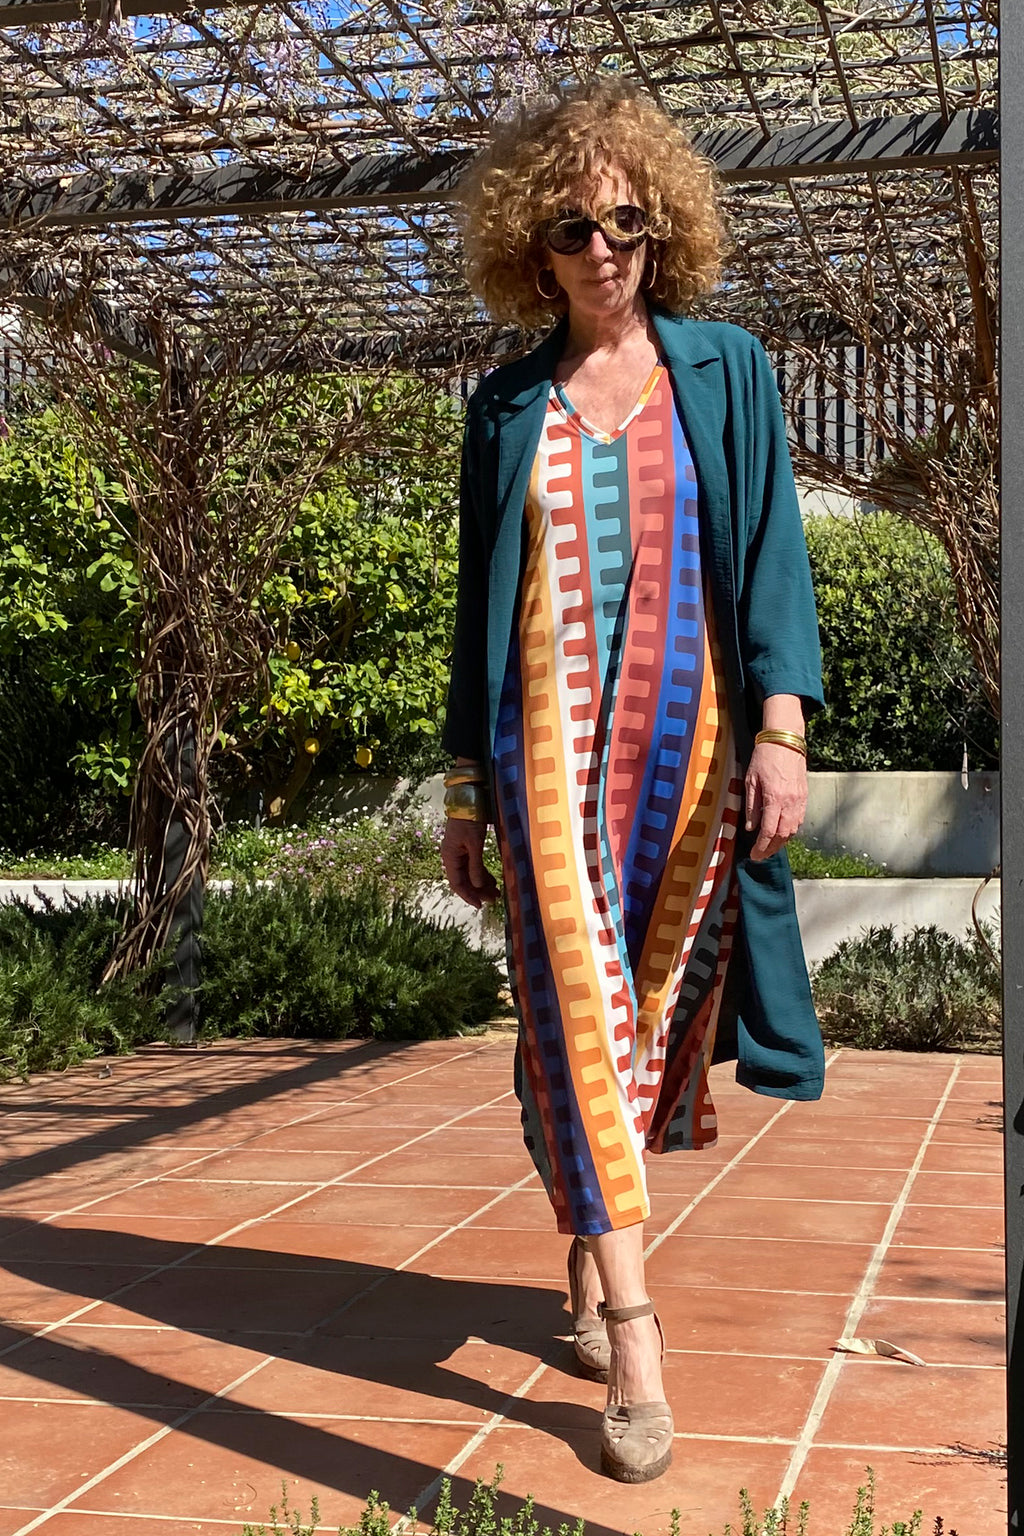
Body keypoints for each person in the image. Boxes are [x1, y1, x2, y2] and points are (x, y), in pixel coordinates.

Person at [439, 77, 825, 1485]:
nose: (602, 249)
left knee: (648, 1016)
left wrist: (783, 727)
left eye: (625, 222)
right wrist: (463, 787)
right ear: (531, 250)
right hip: (544, 755)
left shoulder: (725, 369)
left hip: (690, 756)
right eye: (571, 228)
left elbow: (773, 547)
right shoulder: (505, 406)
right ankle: (637, 1335)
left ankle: (587, 1221)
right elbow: (477, 609)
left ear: (662, 229)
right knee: (572, 1006)